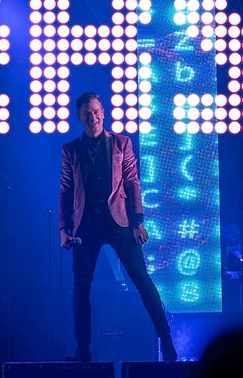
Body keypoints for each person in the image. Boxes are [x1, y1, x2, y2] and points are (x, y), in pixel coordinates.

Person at [60, 92, 175, 362]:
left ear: (103, 113)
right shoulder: (70, 150)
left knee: (142, 280)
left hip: (119, 220)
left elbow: (133, 182)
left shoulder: (122, 143)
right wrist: (64, 228)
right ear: (79, 117)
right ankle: (83, 349)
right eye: (87, 113)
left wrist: (138, 221)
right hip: (85, 224)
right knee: (81, 286)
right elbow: (66, 189)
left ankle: (167, 340)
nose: (93, 117)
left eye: (96, 112)